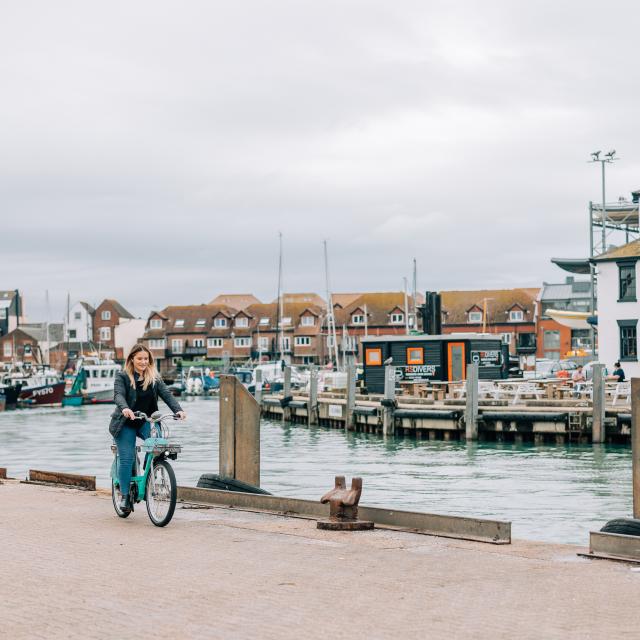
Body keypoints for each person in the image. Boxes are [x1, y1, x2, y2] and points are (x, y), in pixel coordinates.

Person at [108, 344, 186, 513]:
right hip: (125, 423)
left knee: (159, 446)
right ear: (132, 360)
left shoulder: (154, 378)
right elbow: (118, 395)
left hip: (146, 421)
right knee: (127, 458)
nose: (143, 362)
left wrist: (178, 410)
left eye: (146, 359)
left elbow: (167, 394)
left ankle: (152, 467)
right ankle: (125, 495)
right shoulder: (122, 376)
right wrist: (125, 408)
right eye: (139, 359)